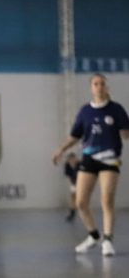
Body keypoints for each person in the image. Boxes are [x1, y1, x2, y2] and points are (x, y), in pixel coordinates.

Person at [52, 73, 129, 257]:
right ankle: (94, 236)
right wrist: (61, 149)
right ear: (91, 88)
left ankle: (107, 240)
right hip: (89, 159)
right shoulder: (85, 111)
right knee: (80, 202)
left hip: (110, 160)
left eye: (102, 83)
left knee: (106, 199)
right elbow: (75, 136)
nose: (99, 86)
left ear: (107, 88)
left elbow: (126, 134)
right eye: (96, 84)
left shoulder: (116, 109)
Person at [63, 153, 79, 222]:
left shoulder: (79, 164)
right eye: (70, 159)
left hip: (81, 183)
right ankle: (72, 213)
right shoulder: (67, 165)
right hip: (73, 182)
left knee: (81, 199)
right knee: (73, 197)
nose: (72, 160)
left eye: (73, 159)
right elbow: (69, 176)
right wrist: (73, 185)